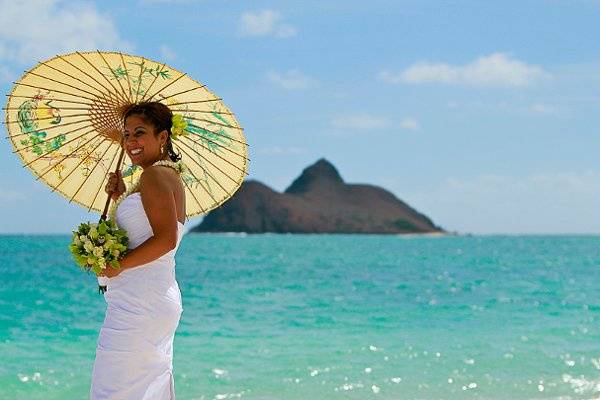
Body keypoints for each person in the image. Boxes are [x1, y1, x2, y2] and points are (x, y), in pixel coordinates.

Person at [90, 102, 186, 399]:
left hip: (140, 304)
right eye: (127, 134)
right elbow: (147, 229)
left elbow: (166, 239)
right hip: (150, 298)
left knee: (112, 390)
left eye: (140, 132)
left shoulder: (153, 176)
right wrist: (119, 197)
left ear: (163, 137)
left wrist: (118, 266)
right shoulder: (162, 176)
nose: (130, 141)